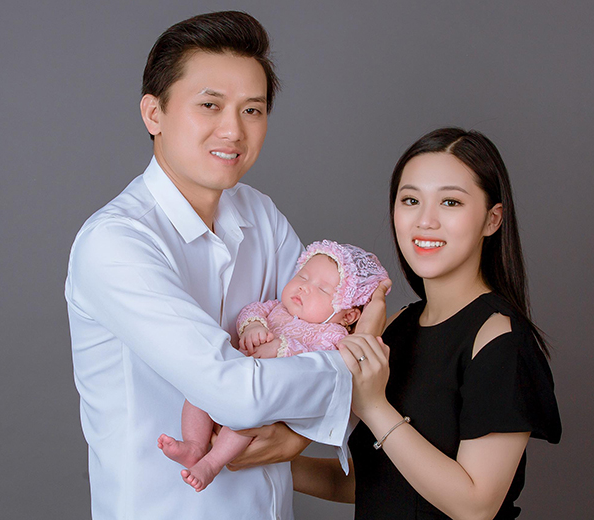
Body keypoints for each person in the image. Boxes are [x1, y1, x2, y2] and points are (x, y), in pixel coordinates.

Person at [65, 12, 387, 519]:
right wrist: (354, 363)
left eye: (252, 110)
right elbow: (234, 392)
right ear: (154, 113)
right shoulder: (116, 242)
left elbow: (327, 318)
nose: (233, 130)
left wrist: (300, 431)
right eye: (209, 105)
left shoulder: (260, 214)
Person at [292, 128, 562, 519]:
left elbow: (476, 506)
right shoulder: (398, 325)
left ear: (492, 219)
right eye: (411, 200)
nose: (425, 221)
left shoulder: (500, 339)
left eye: (450, 202)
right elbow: (376, 483)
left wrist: (373, 405)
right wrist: (264, 463)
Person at [157, 240, 389, 492]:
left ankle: (211, 464)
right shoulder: (277, 308)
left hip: (270, 396)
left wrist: (282, 347)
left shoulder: (331, 334)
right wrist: (254, 326)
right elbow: (251, 310)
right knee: (198, 393)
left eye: (322, 289)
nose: (304, 287)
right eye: (303, 276)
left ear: (348, 315)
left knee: (243, 424)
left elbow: (325, 363)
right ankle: (194, 445)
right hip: (236, 374)